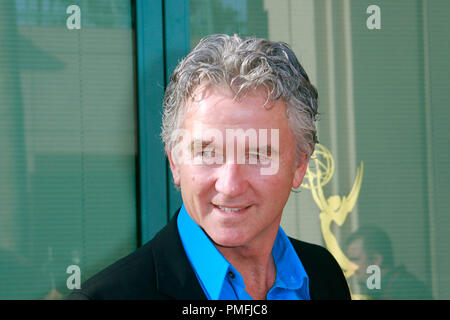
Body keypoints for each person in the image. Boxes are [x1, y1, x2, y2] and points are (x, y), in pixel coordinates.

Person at [67, 34, 350, 300]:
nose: (229, 186)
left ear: (300, 165)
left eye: (256, 155)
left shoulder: (323, 276)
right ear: (175, 162)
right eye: (208, 153)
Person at [345, 225, 433, 299]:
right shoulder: (378, 289)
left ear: (376, 260)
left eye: (355, 259)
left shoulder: (408, 291)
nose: (350, 267)